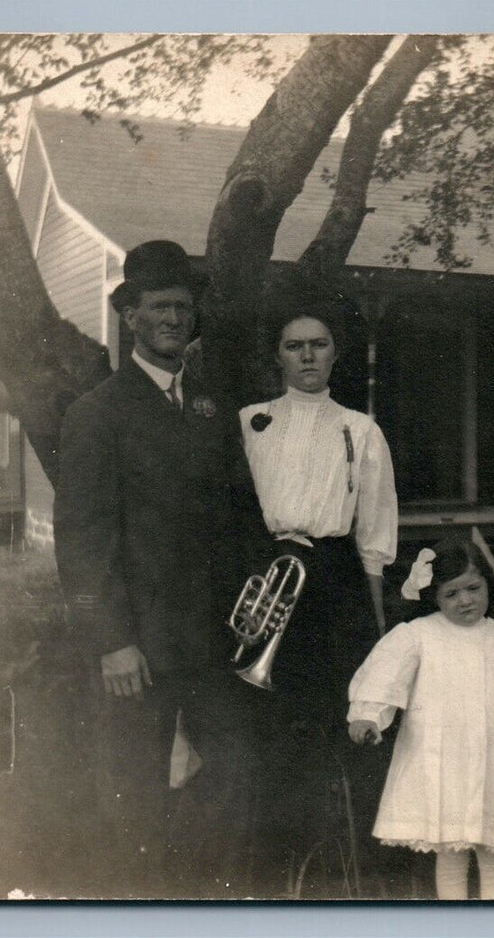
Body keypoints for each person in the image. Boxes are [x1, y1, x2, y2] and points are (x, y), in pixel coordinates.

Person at [53, 239, 265, 897]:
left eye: (183, 307)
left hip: (213, 640)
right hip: (140, 644)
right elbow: (81, 542)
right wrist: (112, 641)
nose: (174, 319)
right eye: (159, 307)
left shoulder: (209, 410)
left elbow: (239, 517)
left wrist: (254, 604)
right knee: (134, 792)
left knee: (233, 778)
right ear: (130, 317)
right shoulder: (98, 413)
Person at [236, 293, 400, 882]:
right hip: (270, 575)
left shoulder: (361, 430)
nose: (307, 355)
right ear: (278, 356)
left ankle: (348, 860)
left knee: (344, 715)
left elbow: (375, 531)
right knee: (278, 721)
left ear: (335, 355)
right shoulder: (251, 422)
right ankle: (282, 861)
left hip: (336, 583)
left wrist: (376, 621)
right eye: (294, 345)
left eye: (319, 344)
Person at [346, 539, 494, 900]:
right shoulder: (418, 636)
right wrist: (368, 717)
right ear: (434, 597)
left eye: (473, 589)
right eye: (451, 594)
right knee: (451, 851)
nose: (465, 601)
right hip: (442, 763)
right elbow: (385, 678)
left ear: (488, 585)